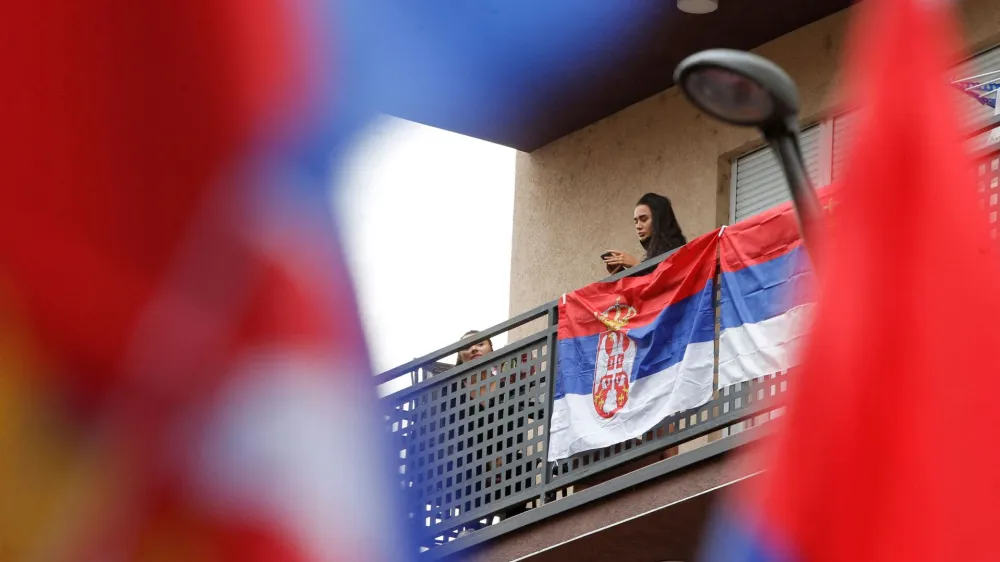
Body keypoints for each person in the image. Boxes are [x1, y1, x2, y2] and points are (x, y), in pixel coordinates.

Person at [603, 192, 687, 274]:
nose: (638, 226)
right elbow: (643, 285)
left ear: (659, 220)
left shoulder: (677, 251)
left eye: (643, 219)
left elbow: (665, 281)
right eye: (636, 221)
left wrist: (636, 265)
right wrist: (619, 273)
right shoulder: (653, 254)